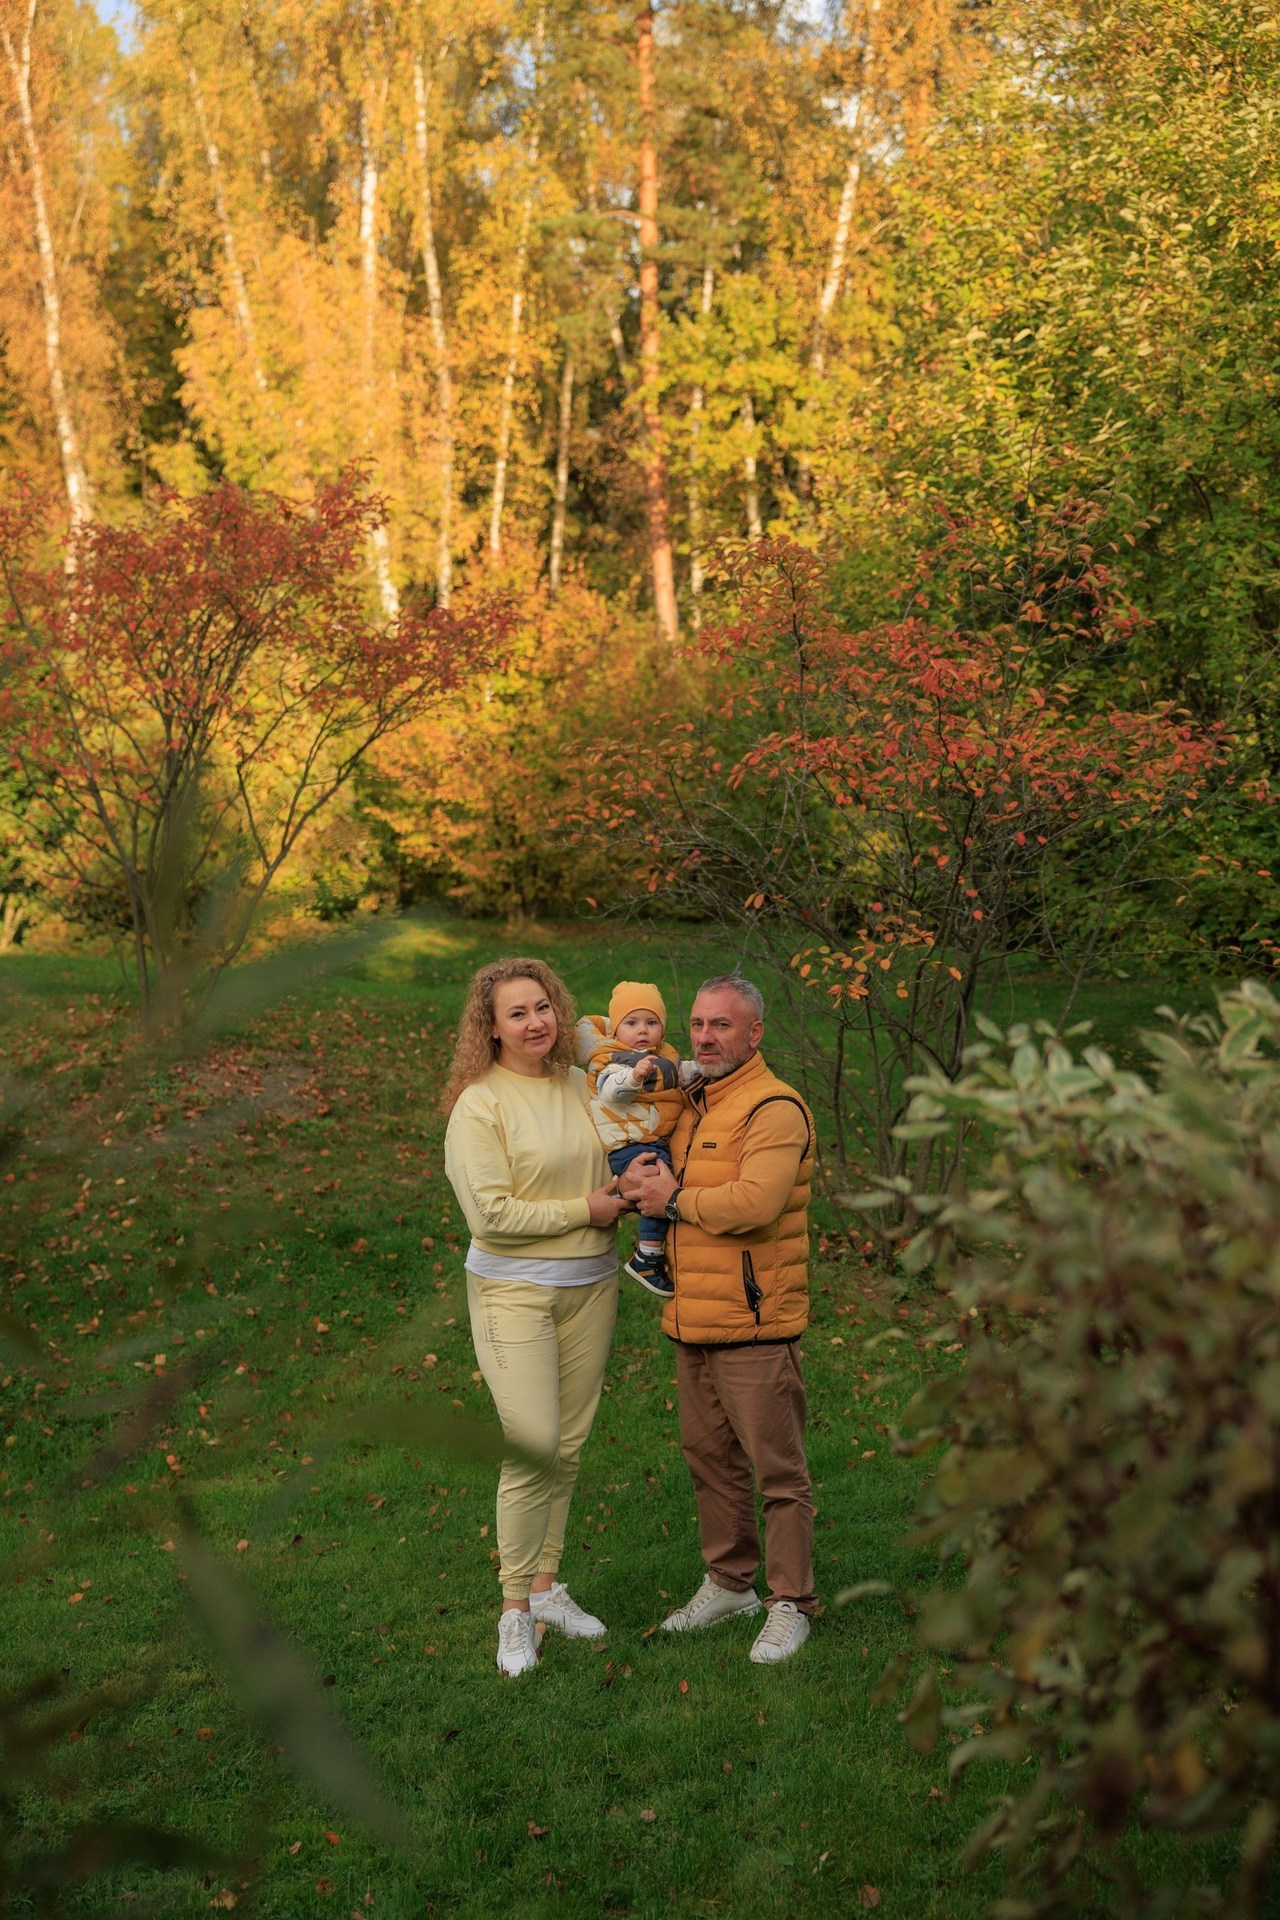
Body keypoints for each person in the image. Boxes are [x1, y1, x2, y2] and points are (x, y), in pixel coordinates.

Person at [622, 971, 817, 1665]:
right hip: (693, 1318)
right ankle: (731, 1584)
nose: (704, 1037)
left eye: (722, 1025)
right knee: (710, 1461)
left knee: (777, 1473)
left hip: (755, 1323)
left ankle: (791, 1601)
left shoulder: (774, 1107)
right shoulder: (696, 1102)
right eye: (699, 1024)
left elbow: (756, 1205)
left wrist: (672, 1201)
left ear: (754, 1033)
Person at [443, 957, 630, 1678]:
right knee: (533, 1448)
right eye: (516, 1013)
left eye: (543, 1007)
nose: (534, 1022)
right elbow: (490, 1215)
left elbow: (629, 1142)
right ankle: (515, 1609)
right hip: (513, 1292)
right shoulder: (479, 1105)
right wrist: (587, 1208)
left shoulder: (582, 1085)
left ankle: (547, 1589)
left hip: (592, 1286)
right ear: (490, 1028)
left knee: (568, 1447)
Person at [575, 980, 699, 1299]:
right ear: (616, 1030)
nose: (642, 1030)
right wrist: (633, 1077)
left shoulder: (663, 1057)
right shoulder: (609, 1057)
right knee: (657, 1185)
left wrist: (701, 1071)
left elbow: (680, 1073)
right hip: (629, 1143)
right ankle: (648, 1255)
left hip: (649, 1140)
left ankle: (643, 1234)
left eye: (651, 1022)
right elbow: (610, 1091)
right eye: (631, 1023)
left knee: (663, 1181)